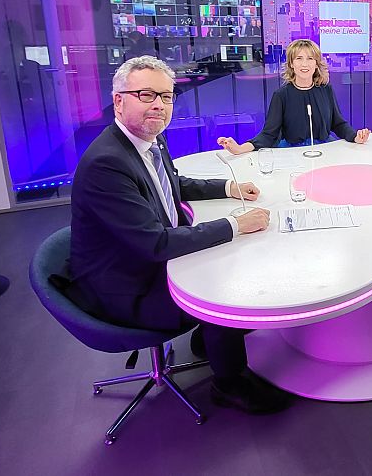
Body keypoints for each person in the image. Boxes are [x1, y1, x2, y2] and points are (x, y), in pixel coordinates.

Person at [68, 56, 290, 414]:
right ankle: (229, 384)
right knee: (223, 287)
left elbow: (172, 184)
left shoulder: (146, 141)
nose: (158, 104)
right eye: (146, 94)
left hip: (140, 260)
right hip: (126, 286)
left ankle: (211, 339)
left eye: (167, 96)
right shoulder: (106, 164)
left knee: (225, 259)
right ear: (119, 101)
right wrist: (235, 224)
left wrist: (229, 188)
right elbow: (155, 244)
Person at [217, 39, 371, 154]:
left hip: (325, 150)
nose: (305, 64)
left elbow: (338, 124)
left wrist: (355, 137)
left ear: (317, 64)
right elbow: (269, 135)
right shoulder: (281, 95)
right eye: (299, 58)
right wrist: (239, 148)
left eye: (310, 59)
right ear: (291, 63)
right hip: (292, 153)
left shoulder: (326, 90)